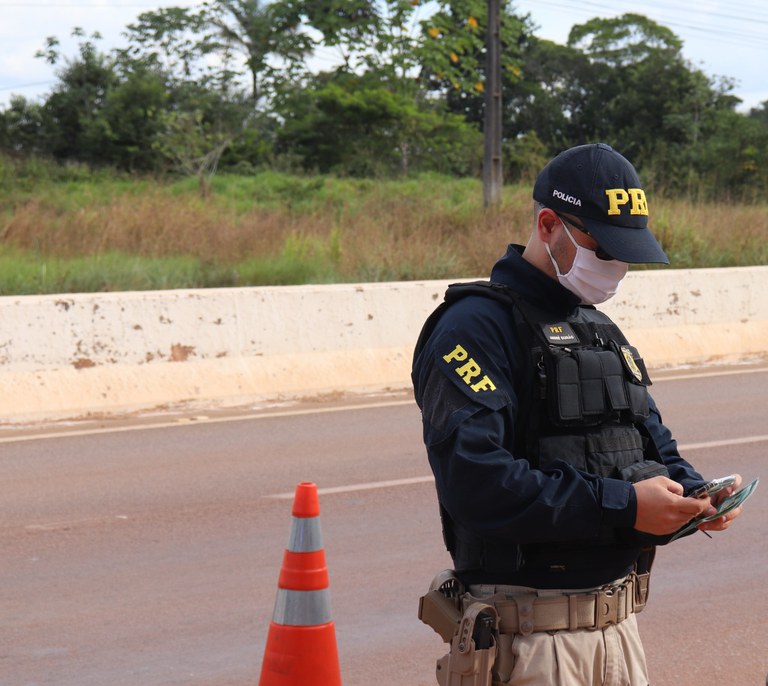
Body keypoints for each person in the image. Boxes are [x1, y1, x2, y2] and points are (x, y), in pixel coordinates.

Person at [411, 143, 743, 686]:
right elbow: (477, 482)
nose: (615, 266)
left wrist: (694, 497)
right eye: (602, 247)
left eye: (624, 252)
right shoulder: (473, 327)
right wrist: (624, 505)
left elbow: (652, 443)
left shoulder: (599, 329)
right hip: (529, 642)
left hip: (617, 631)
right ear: (548, 225)